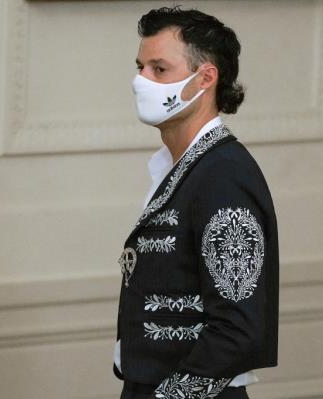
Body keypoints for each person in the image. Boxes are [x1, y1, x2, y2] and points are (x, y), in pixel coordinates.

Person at [113, 6, 279, 399]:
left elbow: (240, 326)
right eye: (140, 67)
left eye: (159, 69)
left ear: (205, 78)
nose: (141, 81)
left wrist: (170, 396)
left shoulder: (224, 175)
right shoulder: (179, 166)